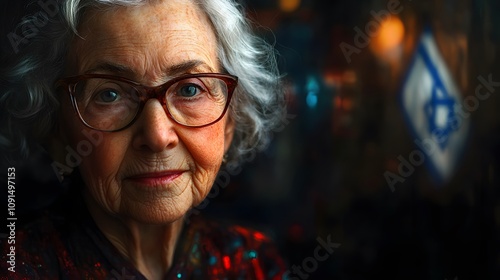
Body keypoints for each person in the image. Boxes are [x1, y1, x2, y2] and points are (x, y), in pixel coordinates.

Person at [0, 0, 286, 279]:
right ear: (58, 129)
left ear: (230, 121)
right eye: (109, 94)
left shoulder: (254, 264)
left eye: (189, 89)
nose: (157, 136)